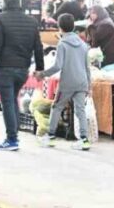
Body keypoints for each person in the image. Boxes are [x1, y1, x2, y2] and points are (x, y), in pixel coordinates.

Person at [0, 0, 44, 152]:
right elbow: (38, 47)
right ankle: (14, 134)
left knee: (8, 102)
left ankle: (12, 138)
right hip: (23, 69)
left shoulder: (0, 20)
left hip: (5, 68)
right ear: (20, 2)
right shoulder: (31, 21)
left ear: (5, 2)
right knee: (12, 100)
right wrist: (40, 68)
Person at [37, 13, 92, 151]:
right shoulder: (83, 45)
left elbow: (57, 66)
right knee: (80, 110)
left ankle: (50, 137)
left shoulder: (62, 44)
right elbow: (87, 67)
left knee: (57, 107)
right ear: (73, 27)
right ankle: (84, 140)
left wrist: (42, 74)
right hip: (82, 82)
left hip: (67, 83)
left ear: (60, 27)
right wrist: (89, 86)